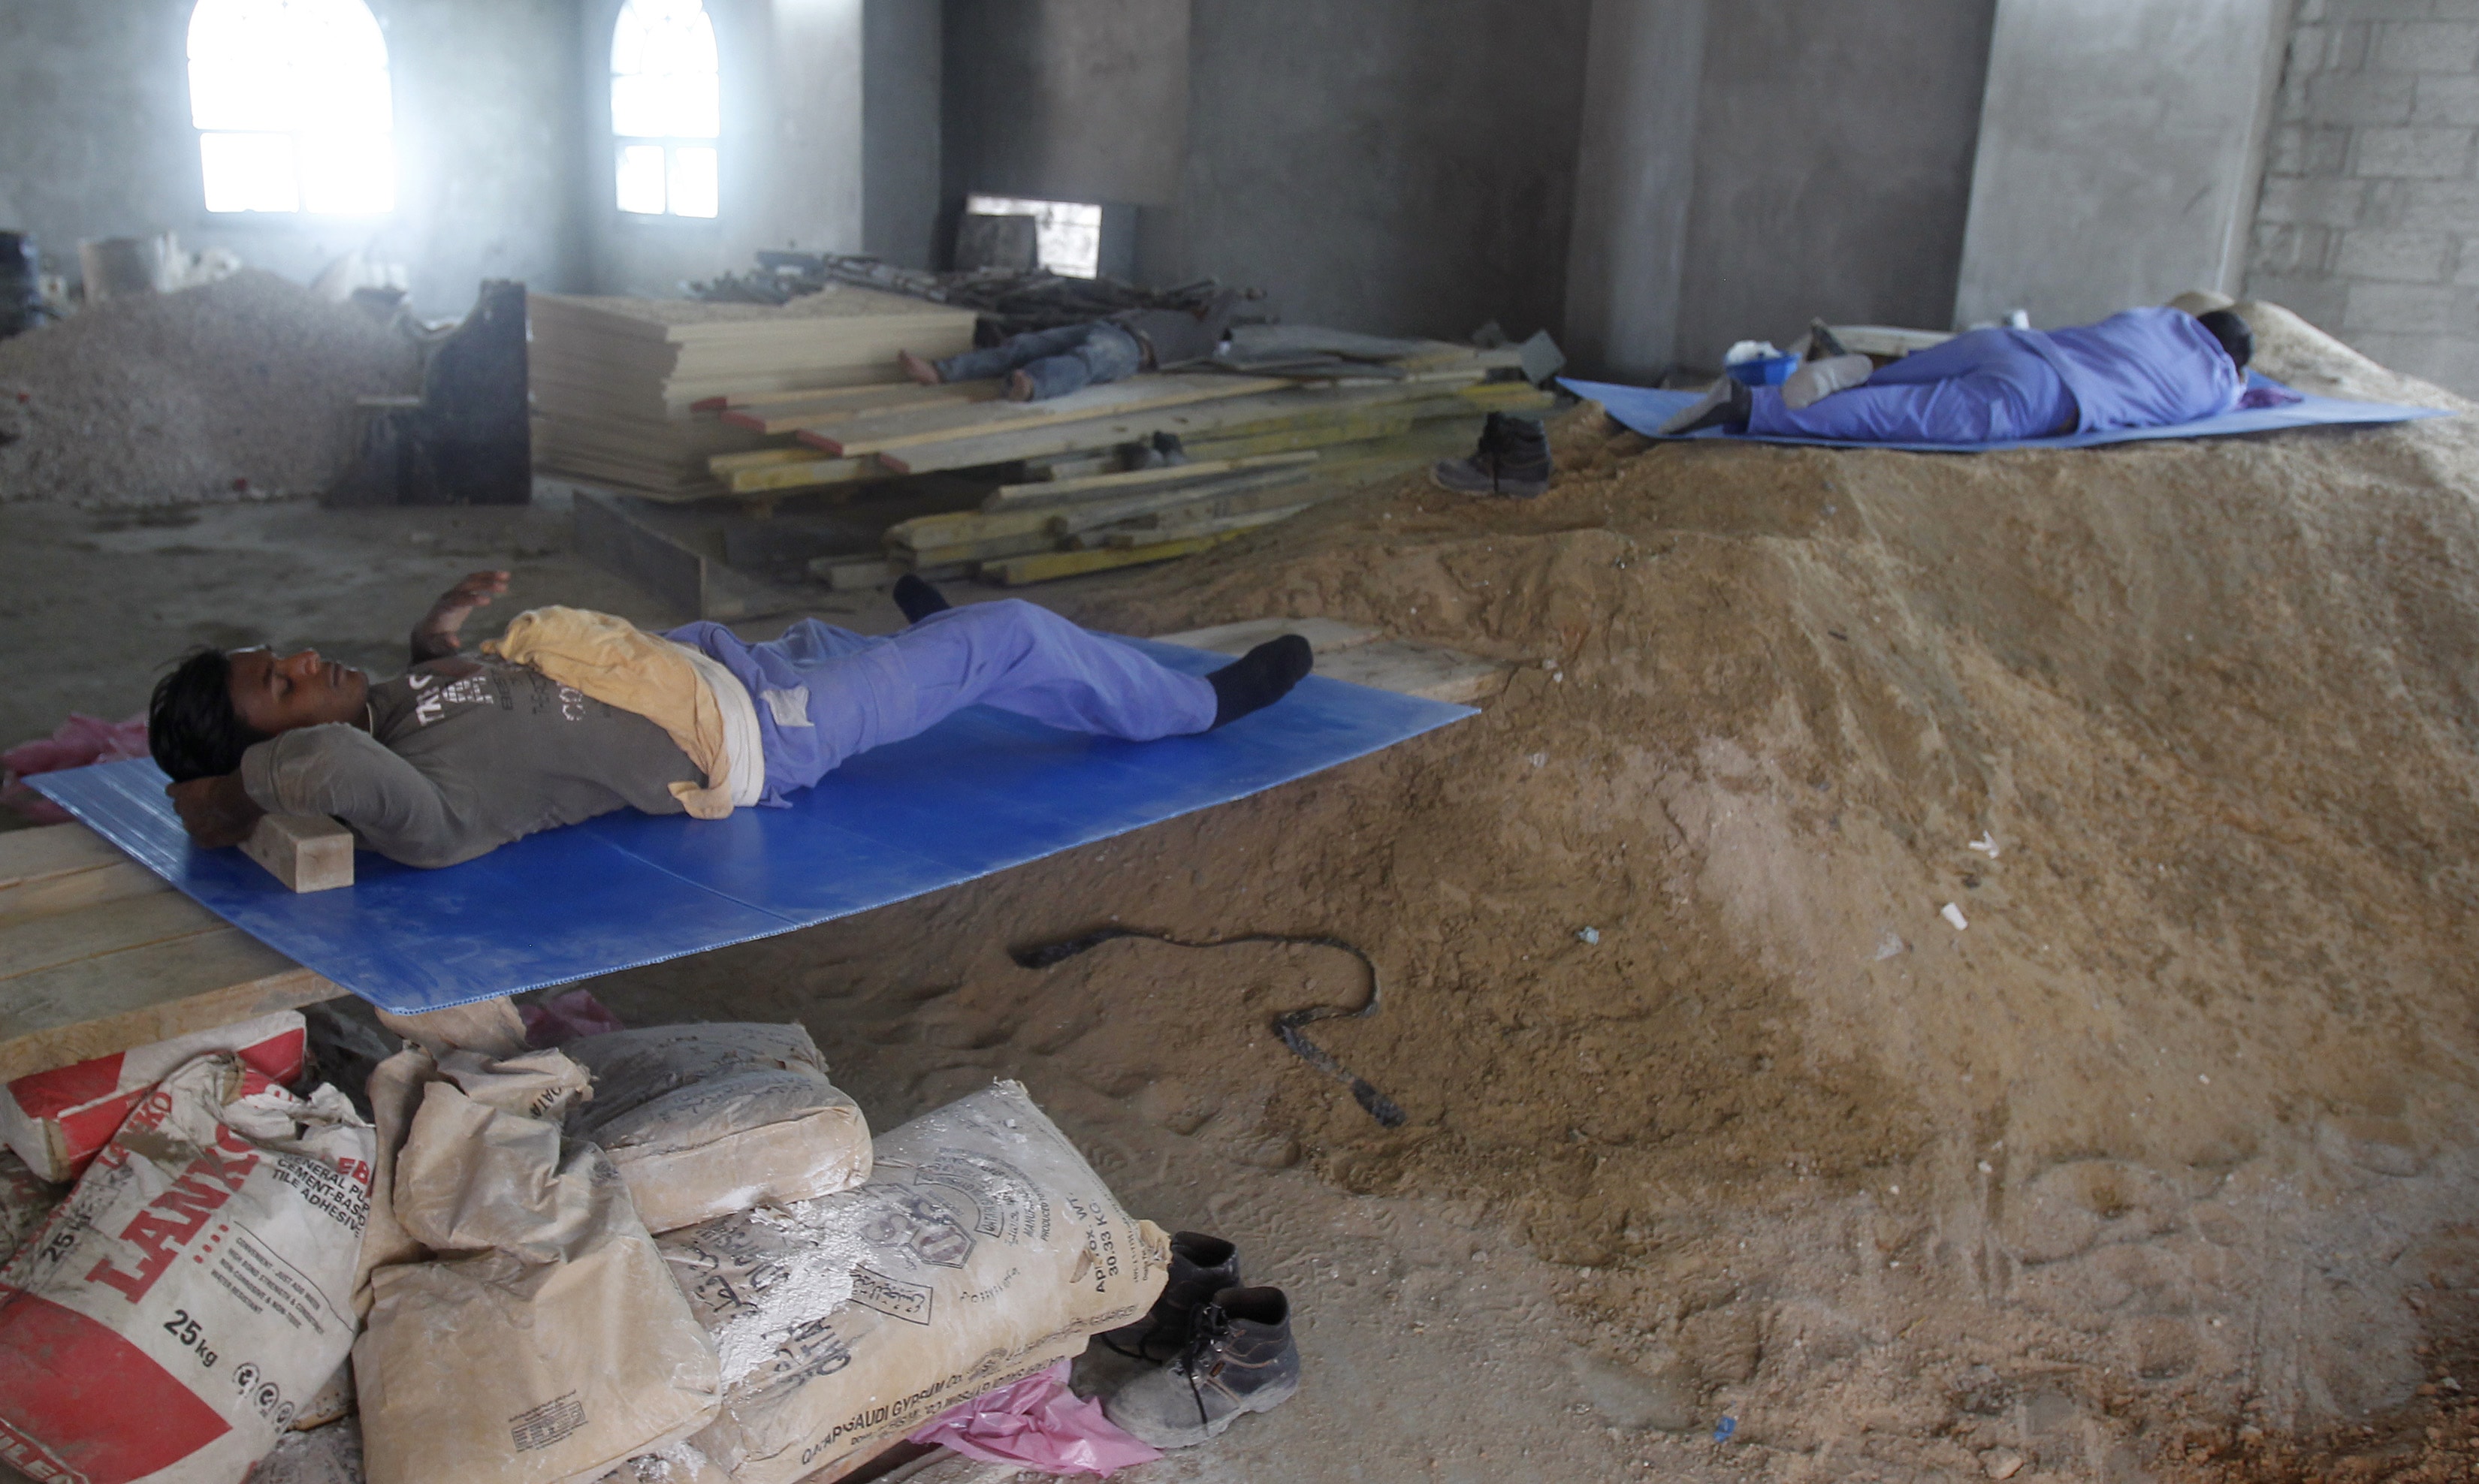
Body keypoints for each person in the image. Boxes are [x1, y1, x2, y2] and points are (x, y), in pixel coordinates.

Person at [150, 572, 1314, 870]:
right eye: (282, 686)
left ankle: (949, 643)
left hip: (723, 667)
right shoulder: (404, 798)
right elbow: (402, 802)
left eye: (283, 654)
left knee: (890, 651)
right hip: (759, 736)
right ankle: (1197, 706)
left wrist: (434, 637)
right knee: (1000, 636)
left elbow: (448, 704)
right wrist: (231, 794)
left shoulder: (396, 716)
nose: (306, 663)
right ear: (280, 753)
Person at [1660, 306, 2256, 444]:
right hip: (2048, 394)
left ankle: (1861, 370)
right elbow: (2240, 394)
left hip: (2014, 344)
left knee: (1902, 382)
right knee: (1905, 418)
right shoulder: (2218, 381)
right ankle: (1752, 407)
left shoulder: (2164, 319)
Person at [898, 291, 1246, 403]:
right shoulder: (1172, 313)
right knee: (1025, 344)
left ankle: (1034, 386)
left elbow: (1223, 305)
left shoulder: (1202, 339)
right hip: (1107, 326)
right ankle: (940, 373)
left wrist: (1243, 294)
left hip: (1130, 348)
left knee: (1084, 362)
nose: (1199, 307)